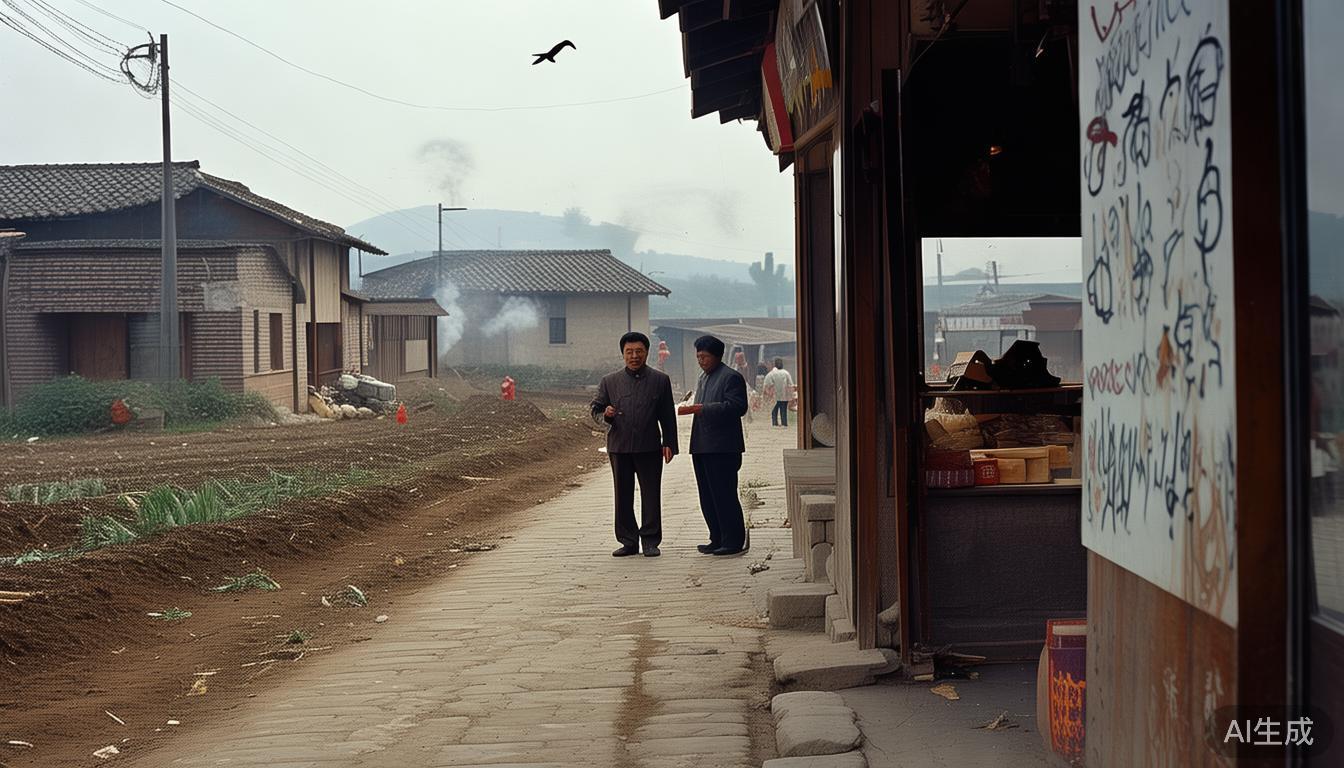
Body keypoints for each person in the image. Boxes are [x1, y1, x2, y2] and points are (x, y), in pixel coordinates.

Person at [591, 332, 678, 558]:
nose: (634, 356)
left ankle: (650, 541)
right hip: (619, 447)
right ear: (623, 354)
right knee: (622, 495)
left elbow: (668, 415)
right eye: (629, 352)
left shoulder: (660, 380)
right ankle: (628, 541)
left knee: (651, 494)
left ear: (647, 352)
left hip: (650, 446)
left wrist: (669, 443)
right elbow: (596, 410)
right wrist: (606, 414)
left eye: (639, 351)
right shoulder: (609, 381)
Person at [678, 334, 749, 556]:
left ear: (717, 356)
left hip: (723, 447)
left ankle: (733, 540)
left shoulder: (731, 377)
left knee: (724, 494)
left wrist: (702, 409)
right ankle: (716, 537)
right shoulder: (703, 378)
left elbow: (738, 407)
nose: (701, 361)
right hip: (702, 445)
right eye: (698, 357)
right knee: (707, 495)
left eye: (705, 356)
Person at [762, 358, 795, 427]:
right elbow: (790, 385)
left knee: (774, 412)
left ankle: (775, 424)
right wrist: (791, 397)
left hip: (774, 397)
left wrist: (766, 394)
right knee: (783, 411)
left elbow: (766, 385)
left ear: (774, 365)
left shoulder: (771, 374)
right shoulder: (786, 373)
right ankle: (784, 424)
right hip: (784, 396)